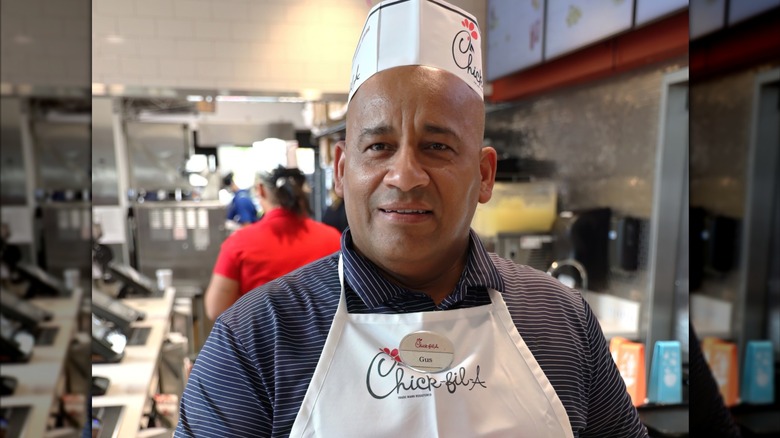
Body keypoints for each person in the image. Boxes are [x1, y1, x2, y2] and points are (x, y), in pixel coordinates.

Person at [177, 1, 649, 436]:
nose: (404, 175)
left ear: (485, 175)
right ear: (342, 171)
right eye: (379, 146)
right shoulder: (255, 342)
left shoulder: (560, 321)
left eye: (437, 146)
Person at [204, 166, 341, 320]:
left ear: (261, 190)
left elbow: (215, 309)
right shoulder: (334, 238)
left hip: (262, 340)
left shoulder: (239, 243)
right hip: (325, 340)